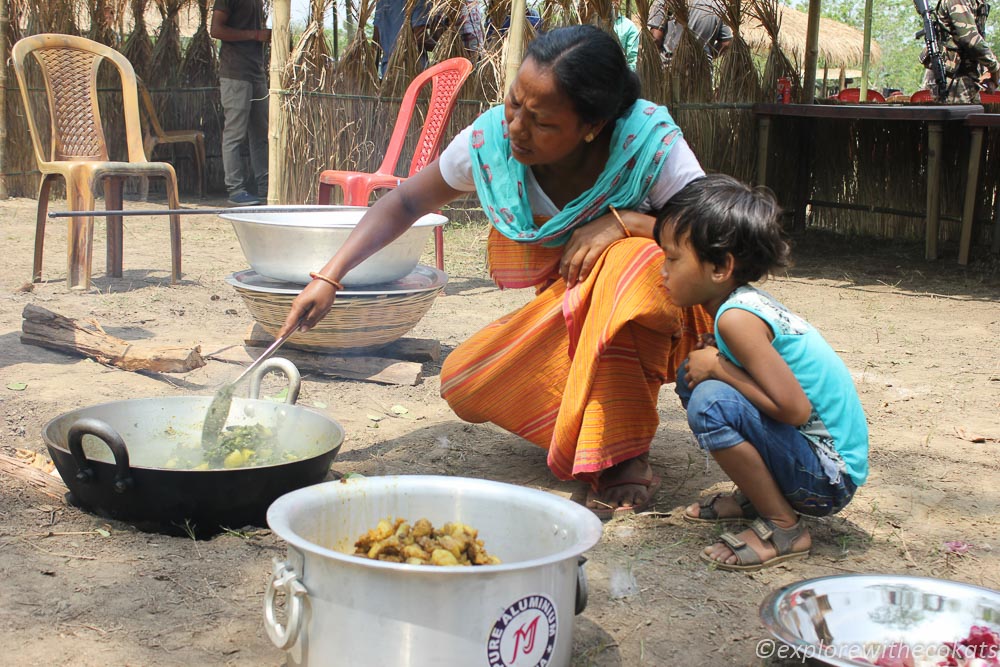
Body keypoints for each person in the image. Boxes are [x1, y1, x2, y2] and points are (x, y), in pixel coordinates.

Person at [278, 25, 712, 519]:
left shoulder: (646, 143)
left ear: (593, 125)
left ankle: (623, 454)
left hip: (667, 310)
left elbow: (714, 236)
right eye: (514, 104)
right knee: (467, 379)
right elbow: (404, 201)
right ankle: (590, 427)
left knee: (626, 262)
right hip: (575, 311)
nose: (516, 128)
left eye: (542, 121)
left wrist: (627, 223)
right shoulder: (492, 144)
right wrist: (329, 277)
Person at [654, 174, 869, 571]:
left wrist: (719, 367)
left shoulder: (738, 317)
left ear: (720, 267)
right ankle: (759, 497)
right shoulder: (742, 305)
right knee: (693, 376)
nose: (663, 271)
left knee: (709, 398)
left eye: (672, 258)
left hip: (828, 479)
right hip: (820, 464)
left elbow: (794, 411)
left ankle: (784, 525)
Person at [211, 0, 270, 206]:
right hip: (235, 72)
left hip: (256, 71)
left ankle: (265, 187)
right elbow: (216, 30)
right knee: (235, 133)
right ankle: (236, 190)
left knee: (261, 133)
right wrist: (254, 35)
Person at [918, 0, 998, 102]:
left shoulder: (978, 2)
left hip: (968, 78)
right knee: (955, 115)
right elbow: (970, 39)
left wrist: (986, 70)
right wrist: (995, 68)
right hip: (949, 79)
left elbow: (979, 41)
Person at [660, 0, 732, 65]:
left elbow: (656, 38)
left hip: (672, 68)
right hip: (703, 69)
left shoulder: (668, 2)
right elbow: (726, 43)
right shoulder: (717, 5)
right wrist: (706, 57)